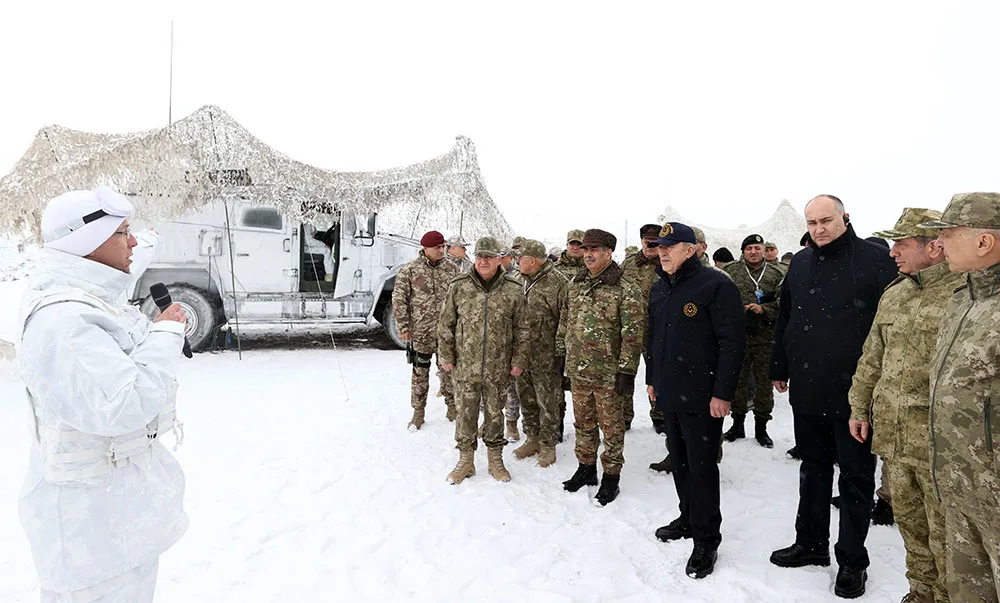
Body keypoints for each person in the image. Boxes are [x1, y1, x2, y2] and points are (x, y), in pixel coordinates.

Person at [18, 187, 189, 602]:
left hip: (117, 523)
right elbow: (123, 405)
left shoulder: (92, 298)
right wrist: (166, 332)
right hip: (90, 542)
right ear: (88, 243)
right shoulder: (64, 320)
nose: (132, 242)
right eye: (123, 232)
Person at [769, 195, 897, 599]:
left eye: (826, 220)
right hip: (808, 387)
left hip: (854, 395)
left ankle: (852, 562)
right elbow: (786, 317)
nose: (818, 229)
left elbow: (887, 330)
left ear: (845, 218)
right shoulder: (802, 263)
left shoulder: (875, 261)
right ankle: (810, 544)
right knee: (813, 469)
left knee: (856, 478)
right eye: (811, 223)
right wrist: (779, 365)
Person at [847, 208, 958, 603]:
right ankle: (920, 593)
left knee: (949, 538)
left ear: (933, 247)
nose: (893, 251)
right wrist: (859, 407)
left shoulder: (963, 294)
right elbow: (871, 356)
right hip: (895, 443)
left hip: (942, 449)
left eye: (902, 243)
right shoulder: (896, 292)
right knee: (912, 529)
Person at [646, 222, 745, 579]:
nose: (663, 252)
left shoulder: (715, 285)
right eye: (660, 247)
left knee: (703, 469)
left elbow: (732, 343)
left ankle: (706, 540)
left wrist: (723, 393)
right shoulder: (660, 287)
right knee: (680, 461)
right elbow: (653, 337)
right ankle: (687, 517)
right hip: (670, 392)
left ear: (692, 249)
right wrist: (652, 379)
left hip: (704, 398)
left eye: (671, 246)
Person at [923, 192, 1000, 603]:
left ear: (984, 242)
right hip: (959, 486)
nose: (939, 246)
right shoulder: (963, 299)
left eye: (948, 236)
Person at [556, 229, 644, 506]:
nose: (589, 254)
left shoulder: (625, 288)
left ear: (609, 252)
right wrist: (561, 354)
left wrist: (627, 371)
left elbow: (633, 334)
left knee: (612, 428)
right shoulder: (576, 284)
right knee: (583, 423)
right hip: (579, 370)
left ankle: (611, 477)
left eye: (595, 249)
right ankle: (585, 469)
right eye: (585, 248)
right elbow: (565, 322)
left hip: (609, 374)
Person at [438, 237, 528, 484]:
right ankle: (465, 461)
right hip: (465, 366)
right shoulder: (459, 286)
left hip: (498, 367)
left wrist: (518, 359)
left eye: (489, 257)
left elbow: (522, 328)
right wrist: (446, 355)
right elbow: (446, 323)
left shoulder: (512, 288)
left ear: (499, 259)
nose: (483, 261)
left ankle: (495, 460)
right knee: (465, 414)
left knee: (494, 414)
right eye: (479, 257)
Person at [391, 230, 460, 429]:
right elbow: (399, 298)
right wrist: (403, 326)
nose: (442, 250)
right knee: (420, 373)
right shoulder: (410, 270)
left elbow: (460, 298)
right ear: (425, 248)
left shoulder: (452, 269)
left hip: (447, 333)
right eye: (437, 247)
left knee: (448, 371)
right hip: (421, 333)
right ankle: (418, 411)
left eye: (443, 246)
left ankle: (452, 406)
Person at [723, 234, 785, 447]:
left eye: (757, 248)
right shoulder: (731, 271)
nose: (753, 252)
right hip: (738, 337)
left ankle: (762, 428)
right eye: (749, 248)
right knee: (737, 382)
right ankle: (737, 425)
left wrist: (763, 308)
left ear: (763, 249)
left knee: (763, 385)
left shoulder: (777, 273)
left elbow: (784, 301)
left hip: (765, 338)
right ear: (743, 251)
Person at [512, 239, 569, 467]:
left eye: (520, 258)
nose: (517, 261)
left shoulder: (558, 283)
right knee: (526, 399)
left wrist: (560, 353)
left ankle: (548, 445)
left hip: (547, 357)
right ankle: (532, 438)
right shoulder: (517, 280)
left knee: (549, 403)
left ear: (532, 261)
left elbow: (567, 319)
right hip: (521, 356)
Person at [621, 224, 665, 434]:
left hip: (656, 330)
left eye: (654, 240)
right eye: (646, 240)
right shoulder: (628, 264)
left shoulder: (667, 264)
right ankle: (624, 416)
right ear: (641, 241)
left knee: (657, 373)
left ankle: (659, 415)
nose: (650, 244)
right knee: (625, 372)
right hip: (629, 329)